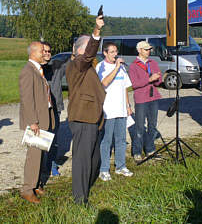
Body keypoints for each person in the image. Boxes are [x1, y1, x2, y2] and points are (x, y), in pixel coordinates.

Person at [66, 15, 106, 204]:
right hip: (82, 119)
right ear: (81, 50)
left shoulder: (88, 67)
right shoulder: (77, 64)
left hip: (93, 119)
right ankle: (80, 199)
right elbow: (89, 54)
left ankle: (85, 188)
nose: (94, 55)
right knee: (82, 161)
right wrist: (96, 32)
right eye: (90, 49)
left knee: (94, 159)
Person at [19, 41, 55, 204]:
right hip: (36, 121)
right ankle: (27, 189)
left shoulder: (37, 70)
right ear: (33, 52)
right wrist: (33, 122)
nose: (45, 53)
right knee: (34, 156)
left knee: (40, 154)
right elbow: (27, 100)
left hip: (43, 118)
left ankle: (37, 184)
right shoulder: (28, 71)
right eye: (42, 51)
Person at [95, 42, 133, 181]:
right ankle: (104, 169)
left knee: (121, 139)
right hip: (108, 110)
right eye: (111, 52)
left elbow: (125, 87)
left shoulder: (122, 68)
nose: (115, 54)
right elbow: (103, 83)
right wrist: (116, 67)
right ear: (105, 53)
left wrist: (128, 105)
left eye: (116, 51)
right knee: (106, 141)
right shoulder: (101, 67)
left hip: (121, 109)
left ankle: (120, 166)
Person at [128, 41, 162, 162]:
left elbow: (158, 81)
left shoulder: (153, 63)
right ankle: (137, 151)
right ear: (140, 50)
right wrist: (149, 79)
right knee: (139, 127)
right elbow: (134, 84)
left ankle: (150, 149)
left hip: (153, 98)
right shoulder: (133, 66)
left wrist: (158, 79)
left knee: (152, 125)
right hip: (141, 99)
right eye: (146, 49)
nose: (149, 51)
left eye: (149, 49)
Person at [41, 41, 68, 177]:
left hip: (55, 107)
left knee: (53, 139)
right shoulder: (35, 68)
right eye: (44, 51)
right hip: (41, 109)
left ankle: (51, 165)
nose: (47, 53)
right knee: (40, 139)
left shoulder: (57, 65)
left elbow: (71, 64)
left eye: (49, 51)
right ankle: (40, 167)